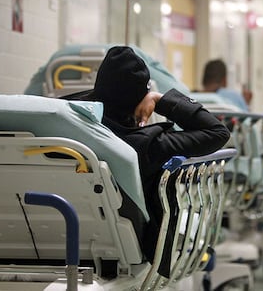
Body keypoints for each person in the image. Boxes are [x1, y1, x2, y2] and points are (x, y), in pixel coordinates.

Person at [62, 46, 230, 276]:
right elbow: (218, 132)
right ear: (140, 99)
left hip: (57, 235)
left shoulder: (63, 130)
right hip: (127, 246)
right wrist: (160, 100)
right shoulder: (147, 146)